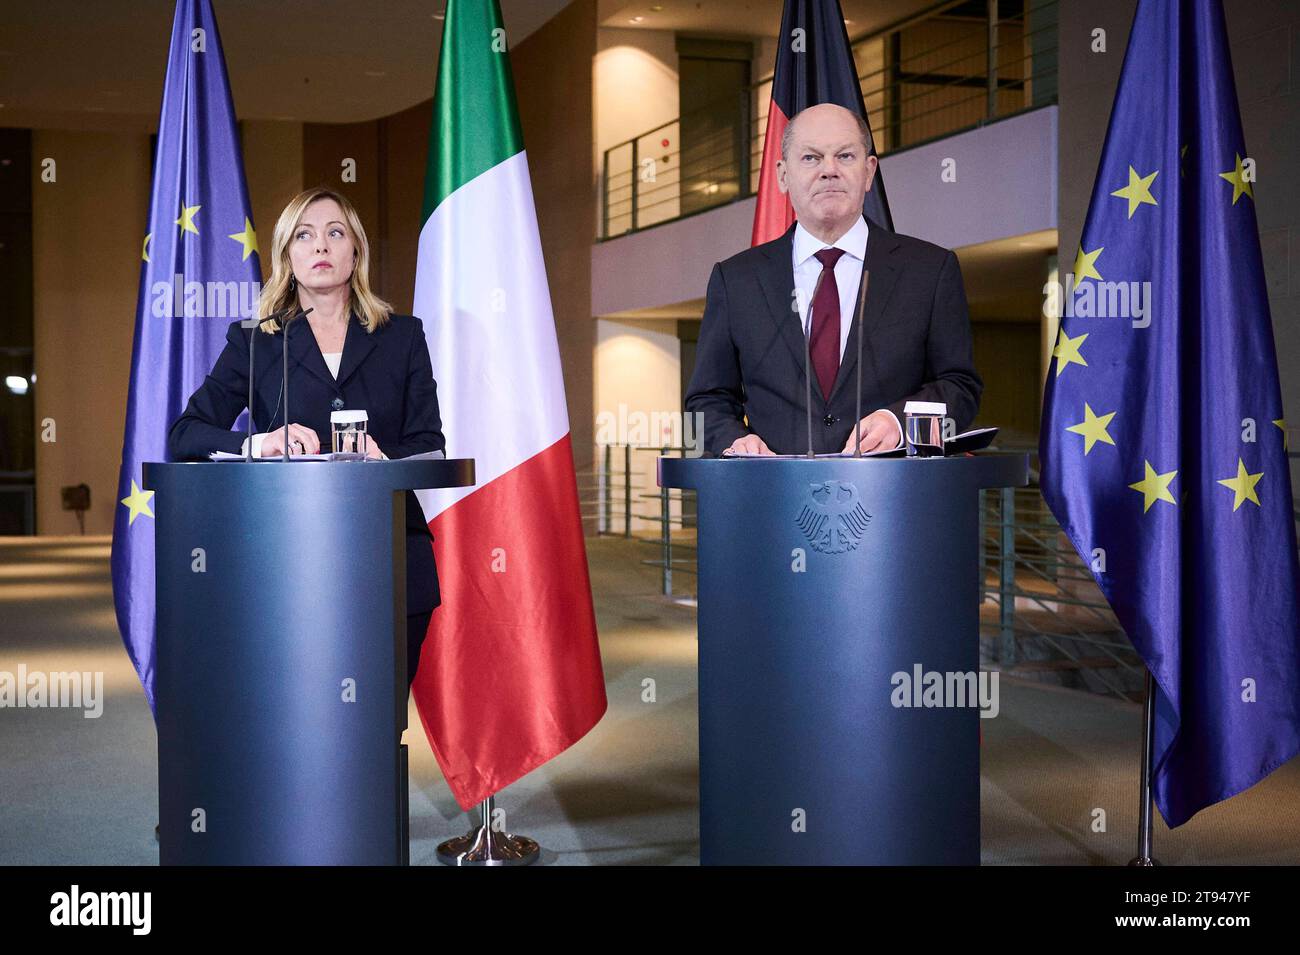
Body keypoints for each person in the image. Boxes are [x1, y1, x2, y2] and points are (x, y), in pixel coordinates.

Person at [168, 186, 445, 688]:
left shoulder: (403, 336)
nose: (320, 246)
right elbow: (185, 433)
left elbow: (431, 444)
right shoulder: (254, 340)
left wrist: (382, 456)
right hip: (286, 564)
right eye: (304, 235)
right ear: (287, 255)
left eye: (335, 233)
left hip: (390, 561)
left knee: (378, 726)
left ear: (355, 250)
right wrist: (258, 443)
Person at [685, 103, 982, 456]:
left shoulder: (931, 270)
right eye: (811, 158)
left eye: (845, 156)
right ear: (782, 175)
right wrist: (733, 441)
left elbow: (960, 387)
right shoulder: (736, 280)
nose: (829, 170)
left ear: (869, 171)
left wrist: (898, 422)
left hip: (895, 498)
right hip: (774, 497)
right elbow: (706, 400)